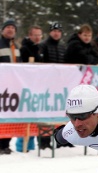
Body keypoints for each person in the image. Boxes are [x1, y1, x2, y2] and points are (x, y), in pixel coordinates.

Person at [16, 25, 44, 153]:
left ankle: (31, 146)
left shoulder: (40, 48)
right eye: (35, 35)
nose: (38, 37)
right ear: (30, 35)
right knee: (25, 117)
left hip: (37, 87)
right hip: (25, 87)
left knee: (34, 117)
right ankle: (22, 146)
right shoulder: (25, 48)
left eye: (40, 35)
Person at [39, 22, 66, 150]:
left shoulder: (62, 47)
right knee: (46, 114)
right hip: (46, 86)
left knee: (60, 113)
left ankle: (59, 139)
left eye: (59, 31)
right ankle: (44, 142)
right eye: (54, 31)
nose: (56, 33)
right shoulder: (43, 45)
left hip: (59, 85)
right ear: (50, 32)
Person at [0, 19, 21, 155]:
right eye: (7, 27)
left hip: (12, 86)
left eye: (13, 28)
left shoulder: (16, 47)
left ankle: (5, 144)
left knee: (9, 114)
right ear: (2, 30)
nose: (10, 30)